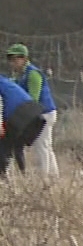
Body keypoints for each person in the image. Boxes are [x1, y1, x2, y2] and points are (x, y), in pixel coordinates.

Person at [5, 44, 56, 177]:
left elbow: (33, 98)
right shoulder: (20, 76)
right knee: (46, 147)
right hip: (38, 112)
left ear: (24, 58)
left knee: (41, 147)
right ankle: (53, 176)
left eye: (15, 59)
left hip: (43, 112)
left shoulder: (33, 74)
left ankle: (44, 179)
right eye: (11, 60)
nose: (12, 63)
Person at [1, 72, 47, 177]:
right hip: (34, 113)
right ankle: (22, 177)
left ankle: (4, 177)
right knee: (17, 147)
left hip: (19, 115)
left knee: (4, 146)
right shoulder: (5, 81)